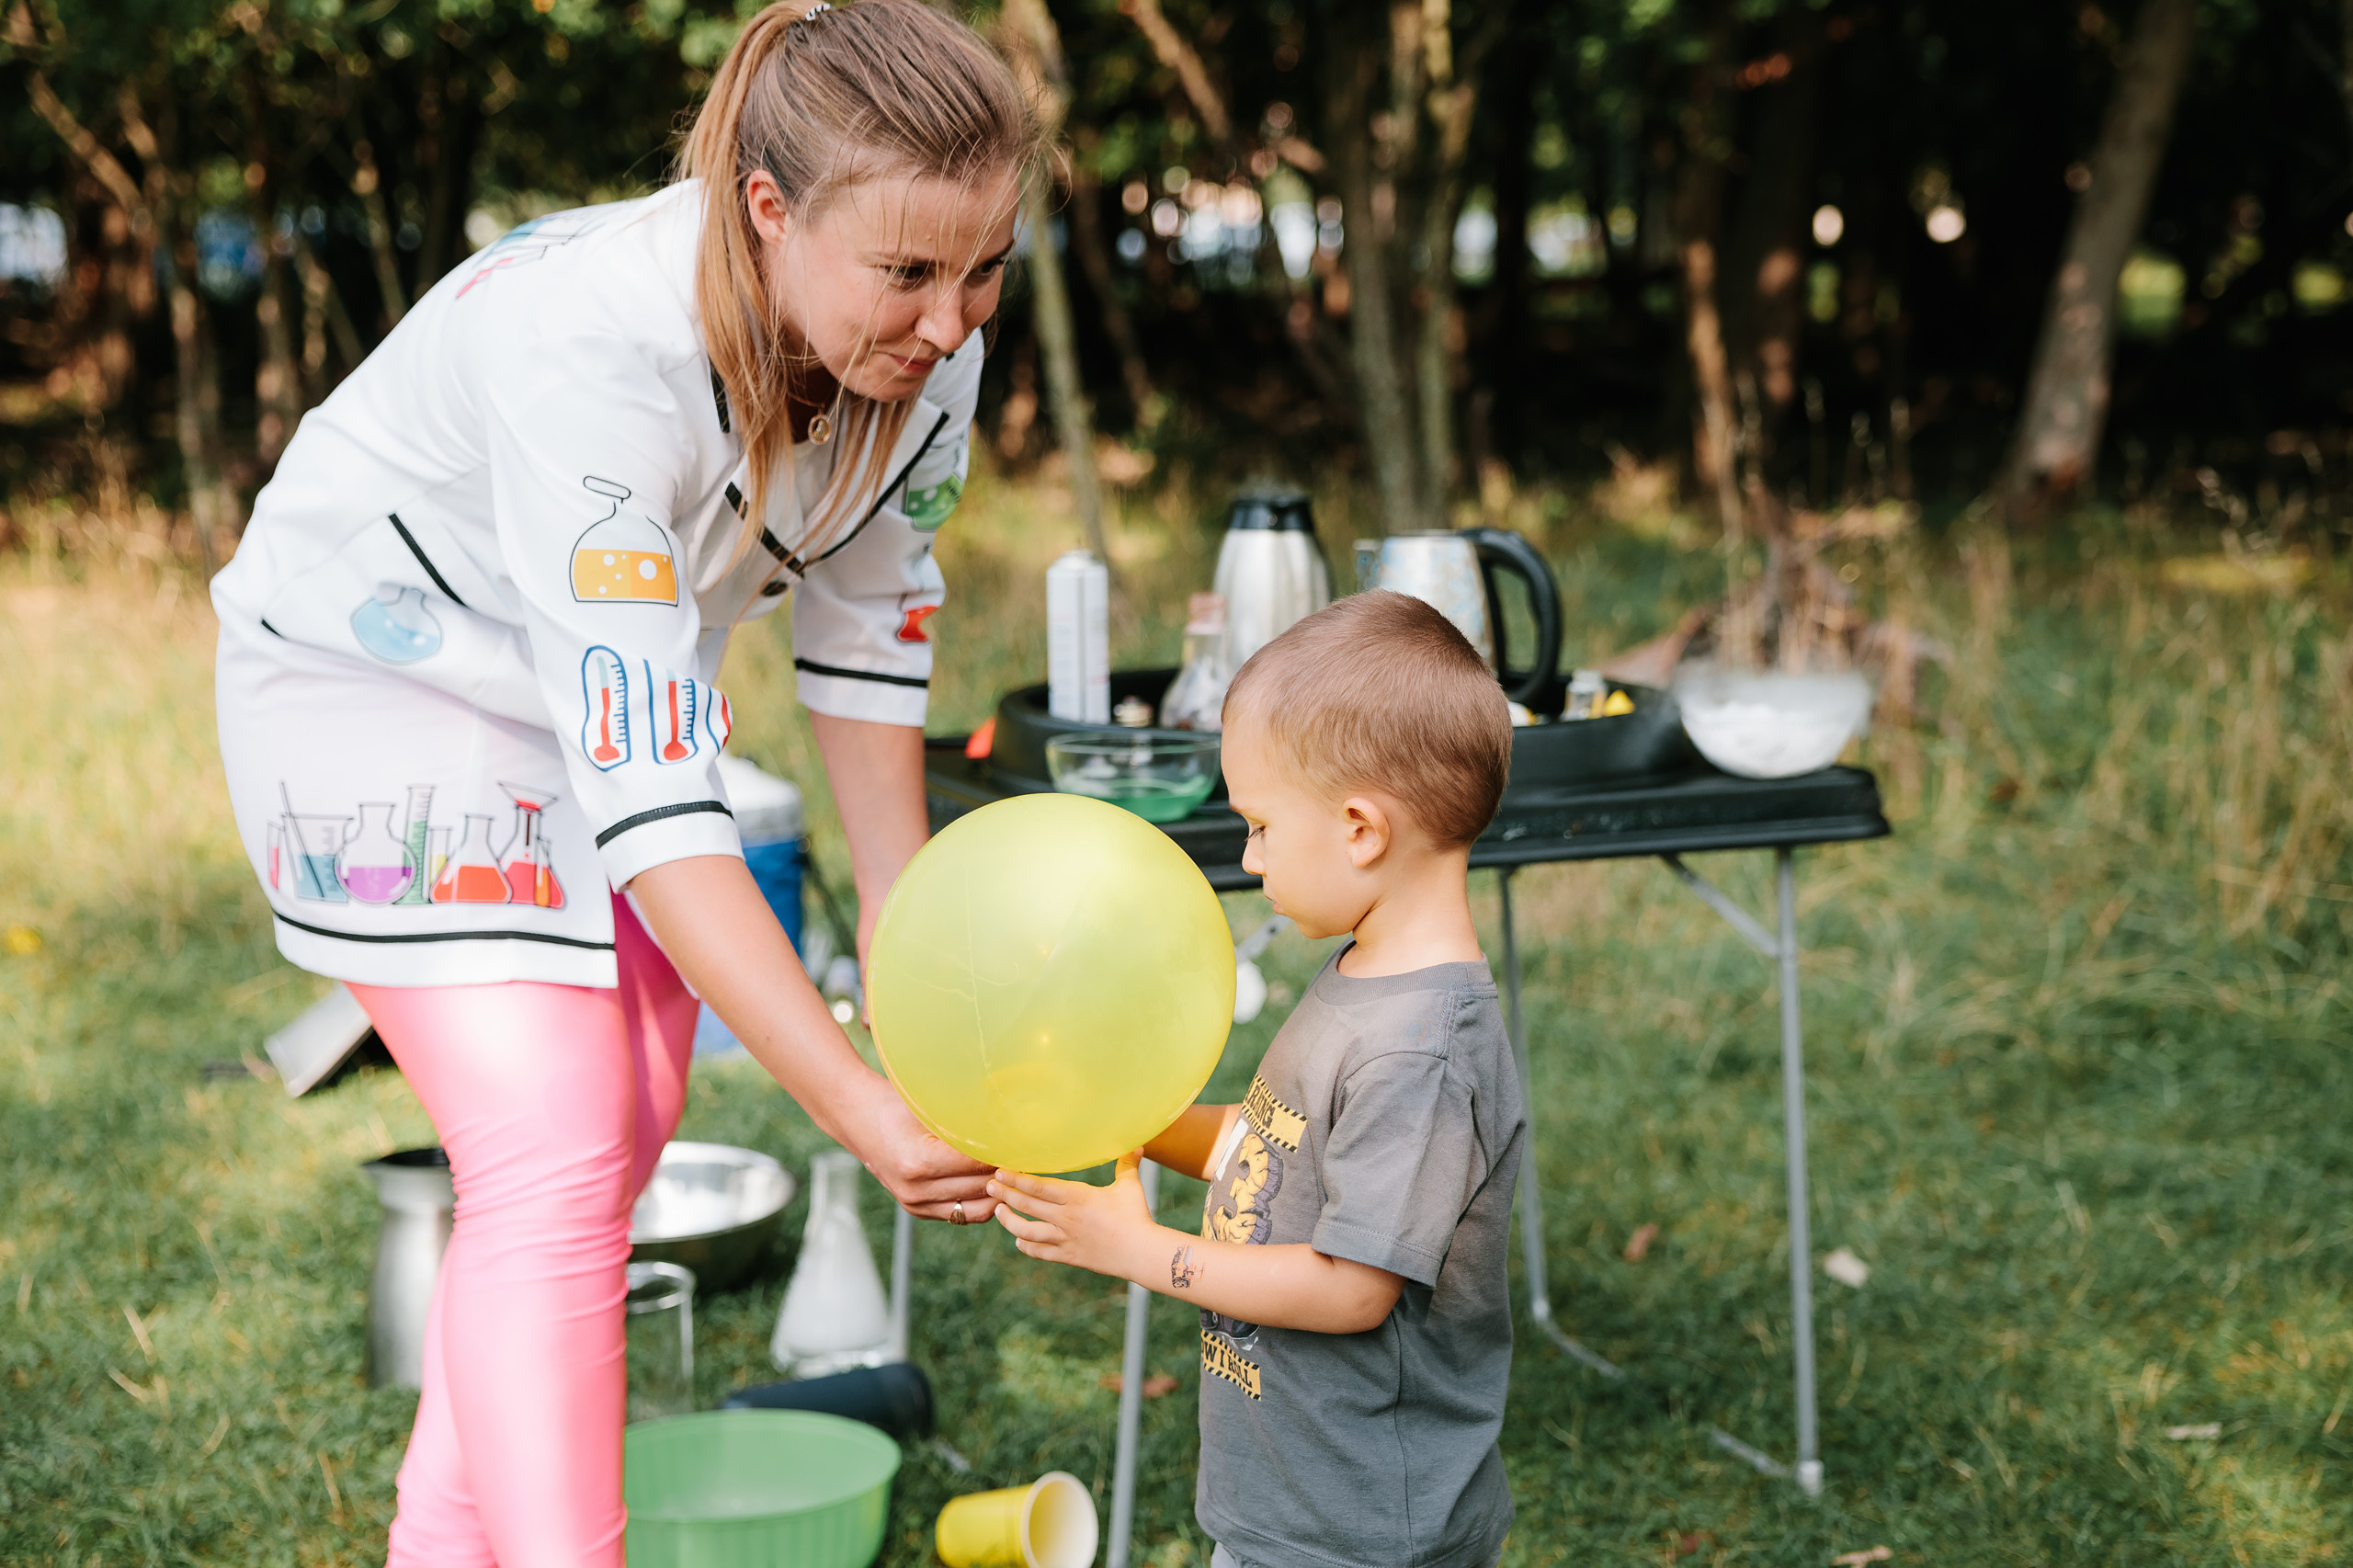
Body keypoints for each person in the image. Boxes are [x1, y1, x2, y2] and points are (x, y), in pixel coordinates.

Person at [208, 4, 1043, 1562]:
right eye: (909, 276)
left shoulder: (932, 349)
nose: (949, 324)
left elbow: (868, 652)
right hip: (374, 683)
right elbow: (657, 797)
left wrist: (924, 984)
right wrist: (857, 1103)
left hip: (581, 690)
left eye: (985, 267)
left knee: (635, 1113)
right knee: (555, 1136)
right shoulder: (591, 342)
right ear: (770, 211)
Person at [990, 591, 1528, 1568]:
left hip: (1365, 1530)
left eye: (1262, 825)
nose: (1247, 856)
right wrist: (1141, 1122)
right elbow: (1280, 1140)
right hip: (1292, 1501)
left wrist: (1139, 1249)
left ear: (1361, 828)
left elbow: (1350, 1287)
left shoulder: (1419, 1051)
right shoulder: (1366, 970)